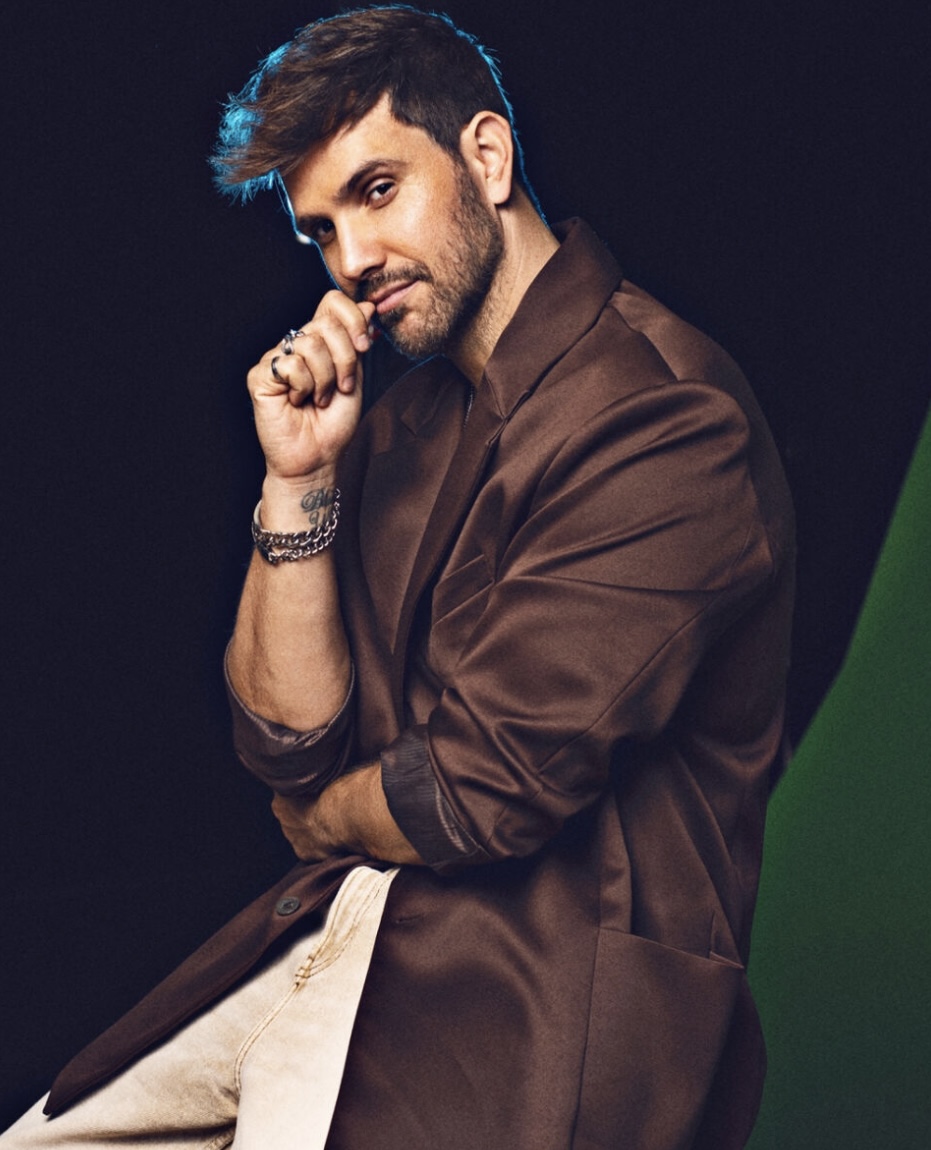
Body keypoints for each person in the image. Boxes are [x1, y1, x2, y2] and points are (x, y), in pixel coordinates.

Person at [1, 5, 795, 1148]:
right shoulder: (400, 421)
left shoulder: (662, 418)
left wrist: (322, 818)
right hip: (334, 934)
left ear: (488, 157)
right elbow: (286, 737)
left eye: (377, 191)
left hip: (521, 1002)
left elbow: (479, 789)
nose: (352, 260)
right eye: (320, 230)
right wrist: (298, 481)